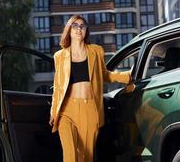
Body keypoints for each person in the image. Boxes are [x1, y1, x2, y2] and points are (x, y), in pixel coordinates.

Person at [49, 15, 131, 162]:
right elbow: (58, 86)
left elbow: (104, 75)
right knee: (70, 156)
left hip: (90, 109)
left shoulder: (96, 51)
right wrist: (54, 111)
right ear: (69, 29)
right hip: (67, 110)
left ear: (86, 30)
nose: (79, 29)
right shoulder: (59, 56)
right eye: (75, 25)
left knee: (87, 157)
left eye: (82, 26)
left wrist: (126, 76)